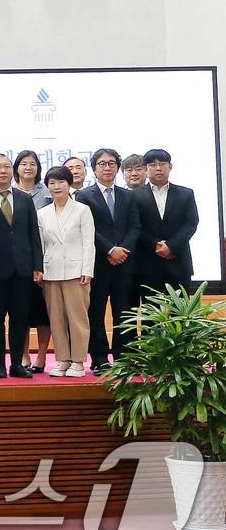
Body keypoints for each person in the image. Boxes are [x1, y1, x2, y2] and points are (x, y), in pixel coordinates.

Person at [0, 154, 44, 378]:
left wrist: (37, 266)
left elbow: (34, 234)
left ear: (11, 170)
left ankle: (17, 364)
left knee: (20, 318)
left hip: (22, 269)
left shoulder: (24, 199)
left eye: (5, 167)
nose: (2, 171)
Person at [78, 148, 141, 376]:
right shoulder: (84, 196)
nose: (107, 168)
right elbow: (88, 230)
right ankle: (100, 358)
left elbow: (135, 226)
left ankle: (124, 358)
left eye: (112, 163)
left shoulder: (129, 195)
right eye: (102, 164)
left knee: (124, 312)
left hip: (125, 263)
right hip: (98, 262)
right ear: (94, 168)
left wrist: (123, 250)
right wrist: (109, 249)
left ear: (117, 167)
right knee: (95, 312)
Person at [37, 166, 96, 378]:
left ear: (69, 184)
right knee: (56, 319)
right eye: (52, 183)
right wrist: (39, 270)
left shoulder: (82, 209)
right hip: (51, 272)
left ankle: (78, 361)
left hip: (76, 272)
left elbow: (89, 242)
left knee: (78, 319)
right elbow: (41, 245)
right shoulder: (42, 213)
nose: (56, 186)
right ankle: (62, 359)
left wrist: (87, 269)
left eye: (60, 182)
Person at [135, 148, 199, 297]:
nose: (158, 168)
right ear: (146, 169)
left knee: (179, 315)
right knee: (151, 316)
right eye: (152, 164)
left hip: (178, 262)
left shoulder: (186, 194)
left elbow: (191, 223)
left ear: (170, 166)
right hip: (147, 263)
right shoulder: (134, 196)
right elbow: (134, 226)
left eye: (162, 164)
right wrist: (155, 245)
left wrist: (171, 246)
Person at [12, 149, 52, 372]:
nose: (28, 167)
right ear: (16, 167)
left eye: (33, 164)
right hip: (19, 262)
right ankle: (24, 356)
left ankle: (42, 356)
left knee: (43, 312)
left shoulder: (48, 192)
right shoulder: (10, 193)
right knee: (21, 312)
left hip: (46, 259)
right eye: (24, 163)